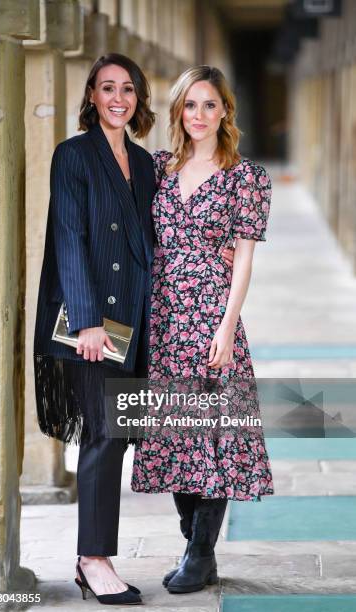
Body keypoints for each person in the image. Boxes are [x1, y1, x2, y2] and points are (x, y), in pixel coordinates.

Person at [131, 65, 275, 594]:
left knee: (214, 436)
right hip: (163, 315)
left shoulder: (247, 177)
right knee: (174, 433)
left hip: (213, 314)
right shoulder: (156, 168)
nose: (199, 115)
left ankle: (199, 552)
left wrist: (227, 325)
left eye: (209, 104)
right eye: (190, 105)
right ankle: (194, 539)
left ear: (224, 111)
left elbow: (242, 260)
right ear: (178, 111)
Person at [33, 53, 157, 605]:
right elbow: (68, 238)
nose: (118, 98)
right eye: (107, 87)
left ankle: (96, 553)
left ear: (138, 99)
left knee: (121, 435)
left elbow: (157, 234)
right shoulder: (72, 155)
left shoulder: (145, 161)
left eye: (127, 89)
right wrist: (85, 321)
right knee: (105, 435)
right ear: (90, 95)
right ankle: (93, 559)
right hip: (93, 320)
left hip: (137, 316)